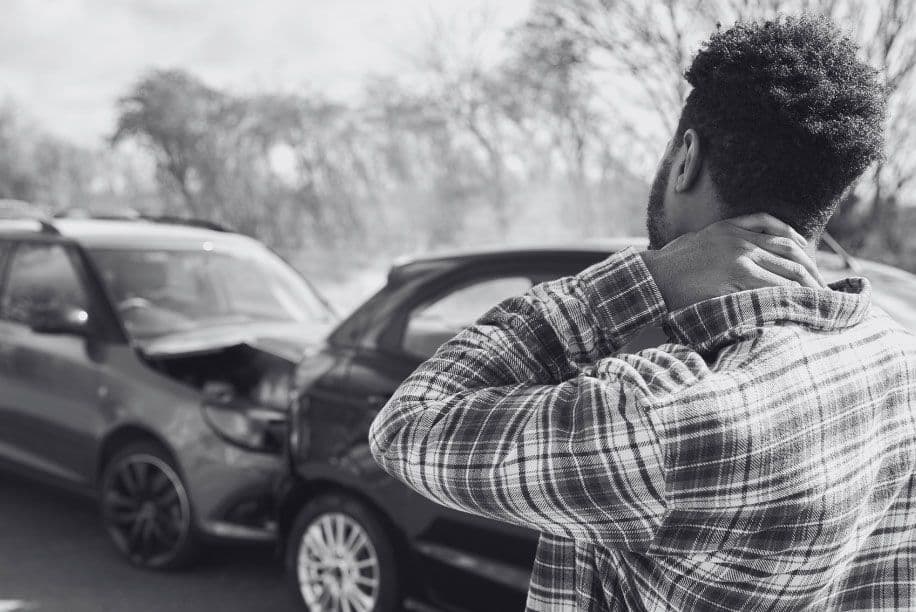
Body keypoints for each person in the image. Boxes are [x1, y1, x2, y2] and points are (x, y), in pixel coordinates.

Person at [369, 15, 911, 611]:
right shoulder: (896, 354)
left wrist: (650, 275)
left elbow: (408, 425)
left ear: (685, 159)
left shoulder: (667, 418)